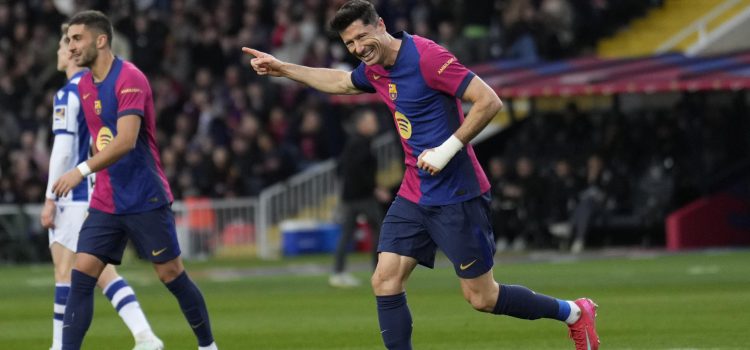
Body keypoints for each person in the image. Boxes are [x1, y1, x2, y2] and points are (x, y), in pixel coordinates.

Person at [242, 1, 599, 349]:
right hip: (414, 192)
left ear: (380, 25)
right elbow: (342, 82)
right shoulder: (376, 66)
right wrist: (283, 68)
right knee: (384, 280)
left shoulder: (428, 57)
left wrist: (446, 150)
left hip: (457, 194)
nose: (357, 49)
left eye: (361, 37)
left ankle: (572, 312)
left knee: (482, 297)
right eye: (349, 44)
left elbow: (488, 100)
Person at [51, 11, 217, 350]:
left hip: (144, 196)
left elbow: (125, 141)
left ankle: (207, 346)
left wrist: (80, 171)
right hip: (106, 201)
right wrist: (94, 179)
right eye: (68, 40)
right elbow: (102, 139)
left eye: (76, 38)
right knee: (81, 276)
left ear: (101, 40)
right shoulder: (83, 85)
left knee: (170, 274)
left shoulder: (130, 78)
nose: (70, 47)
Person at [41, 22, 164, 350]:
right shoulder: (97, 87)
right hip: (99, 190)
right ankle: (145, 335)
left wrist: (50, 196)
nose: (58, 52)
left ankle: (59, 346)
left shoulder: (69, 93)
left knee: (65, 271)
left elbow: (64, 149)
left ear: (70, 53)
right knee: (101, 273)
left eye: (62, 46)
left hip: (75, 193)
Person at [330, 109, 390, 288]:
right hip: (362, 197)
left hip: (351, 196)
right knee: (379, 231)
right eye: (371, 121)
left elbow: (343, 168)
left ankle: (338, 272)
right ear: (362, 124)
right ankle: (378, 271)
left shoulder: (355, 142)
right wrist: (375, 188)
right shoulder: (361, 143)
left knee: (347, 234)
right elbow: (358, 171)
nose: (375, 124)